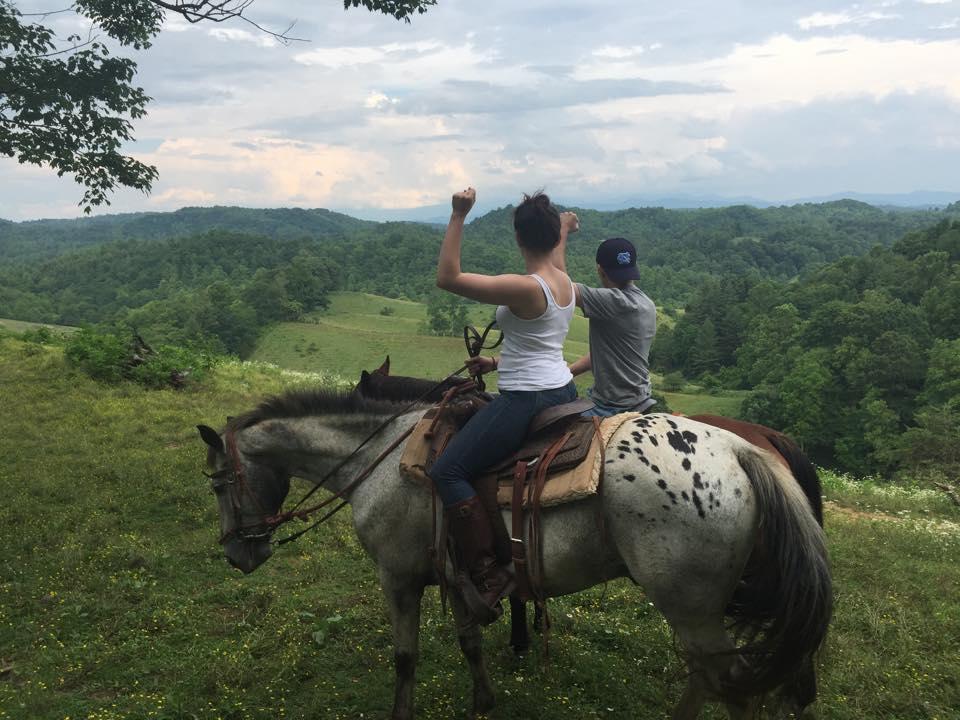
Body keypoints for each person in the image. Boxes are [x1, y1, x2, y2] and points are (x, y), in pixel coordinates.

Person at [429, 187, 578, 625]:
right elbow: (539, 335)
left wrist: (458, 215)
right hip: (563, 390)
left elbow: (448, 278)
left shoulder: (523, 287)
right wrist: (496, 361)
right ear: (552, 239)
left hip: (526, 399)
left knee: (447, 470)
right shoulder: (563, 282)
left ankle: (488, 574)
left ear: (517, 238)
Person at [564, 226, 657, 417]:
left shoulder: (613, 301)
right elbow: (605, 353)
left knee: (548, 429)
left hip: (612, 405)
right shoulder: (647, 303)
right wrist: (568, 372)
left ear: (600, 269)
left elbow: (558, 286)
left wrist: (562, 232)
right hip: (640, 398)